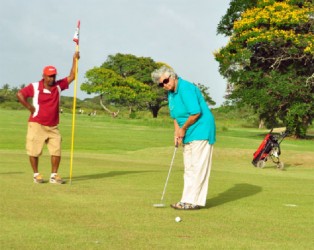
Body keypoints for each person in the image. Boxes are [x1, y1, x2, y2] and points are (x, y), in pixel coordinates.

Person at [151, 66, 216, 210]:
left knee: (197, 166)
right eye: (161, 84)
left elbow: (195, 113)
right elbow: (175, 117)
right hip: (187, 131)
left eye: (166, 81)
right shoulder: (171, 94)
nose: (164, 85)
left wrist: (183, 129)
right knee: (189, 167)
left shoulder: (186, 88)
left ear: (173, 77)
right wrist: (177, 133)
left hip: (201, 129)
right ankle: (186, 199)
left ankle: (193, 201)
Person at [17, 51, 80, 184]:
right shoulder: (35, 87)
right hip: (37, 123)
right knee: (34, 151)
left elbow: (73, 76)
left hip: (53, 125)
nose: (52, 78)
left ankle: (54, 175)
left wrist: (74, 60)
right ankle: (36, 175)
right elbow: (20, 95)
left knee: (56, 150)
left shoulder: (58, 86)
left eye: (53, 76)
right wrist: (30, 107)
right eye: (49, 76)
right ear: (44, 76)